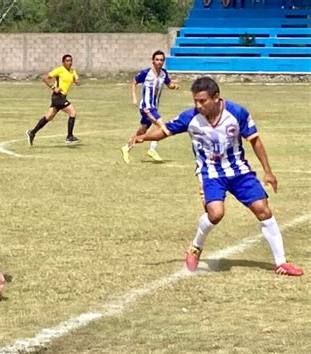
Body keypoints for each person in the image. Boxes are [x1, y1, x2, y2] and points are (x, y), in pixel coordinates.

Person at [129, 76, 303, 276]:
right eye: (195, 100)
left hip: (239, 171)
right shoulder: (190, 117)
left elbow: (255, 141)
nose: (198, 105)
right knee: (216, 214)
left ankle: (281, 262)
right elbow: (165, 131)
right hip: (210, 173)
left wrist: (268, 171)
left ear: (216, 97)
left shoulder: (237, 113)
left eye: (202, 101)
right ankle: (195, 247)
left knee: (263, 210)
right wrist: (143, 136)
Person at [120, 50, 179, 163]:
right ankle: (152, 150)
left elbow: (169, 84)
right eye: (157, 60)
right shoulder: (146, 73)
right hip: (146, 108)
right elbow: (133, 82)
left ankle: (126, 148)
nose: (159, 62)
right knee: (162, 127)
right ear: (153, 61)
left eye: (161, 60)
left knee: (142, 132)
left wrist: (174, 86)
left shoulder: (163, 73)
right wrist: (134, 97)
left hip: (154, 107)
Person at [26, 54, 81, 146]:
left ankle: (32, 132)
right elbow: (46, 78)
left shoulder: (72, 71)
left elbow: (76, 80)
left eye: (71, 61)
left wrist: (77, 81)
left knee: (49, 117)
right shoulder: (59, 70)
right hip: (57, 96)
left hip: (63, 97)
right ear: (63, 62)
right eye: (67, 61)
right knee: (73, 113)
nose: (69, 62)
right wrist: (53, 87)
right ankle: (69, 137)